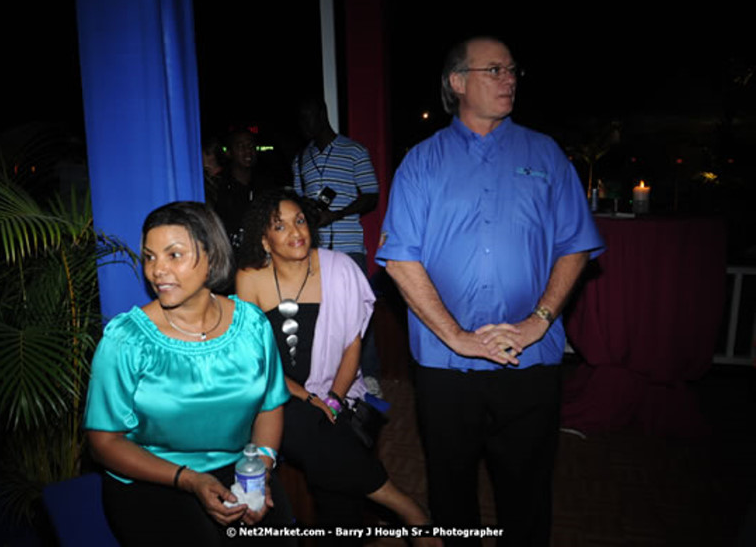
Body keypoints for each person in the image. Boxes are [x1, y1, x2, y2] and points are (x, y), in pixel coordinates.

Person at [376, 37, 605, 546]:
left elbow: (575, 244)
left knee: (527, 490)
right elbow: (400, 260)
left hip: (530, 357)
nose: (510, 79)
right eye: (495, 70)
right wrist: (457, 336)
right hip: (446, 363)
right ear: (458, 82)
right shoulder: (421, 162)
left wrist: (538, 322)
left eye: (513, 70)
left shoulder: (545, 154)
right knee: (450, 487)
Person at [235, 189, 439, 546]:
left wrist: (332, 399)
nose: (295, 231)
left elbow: (351, 346)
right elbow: (260, 360)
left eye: (300, 221)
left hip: (336, 387)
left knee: (328, 463)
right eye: (280, 226)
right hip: (275, 390)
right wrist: (307, 398)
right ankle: (407, 508)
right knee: (310, 426)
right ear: (265, 241)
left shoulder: (339, 268)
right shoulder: (250, 278)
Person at [84, 201, 294, 546]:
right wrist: (189, 479)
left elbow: (270, 407)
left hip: (237, 467)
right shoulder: (126, 341)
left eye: (174, 255)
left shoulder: (252, 325)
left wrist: (260, 474)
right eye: (150, 257)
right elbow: (103, 443)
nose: (157, 270)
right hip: (151, 477)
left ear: (211, 255)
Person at [292, 96, 383, 396]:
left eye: (307, 116)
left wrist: (337, 214)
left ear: (322, 113)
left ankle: (370, 376)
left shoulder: (354, 151)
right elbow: (298, 204)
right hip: (314, 251)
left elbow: (371, 195)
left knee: (359, 314)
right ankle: (330, 377)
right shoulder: (300, 159)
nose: (303, 124)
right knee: (321, 316)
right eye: (300, 119)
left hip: (348, 246)